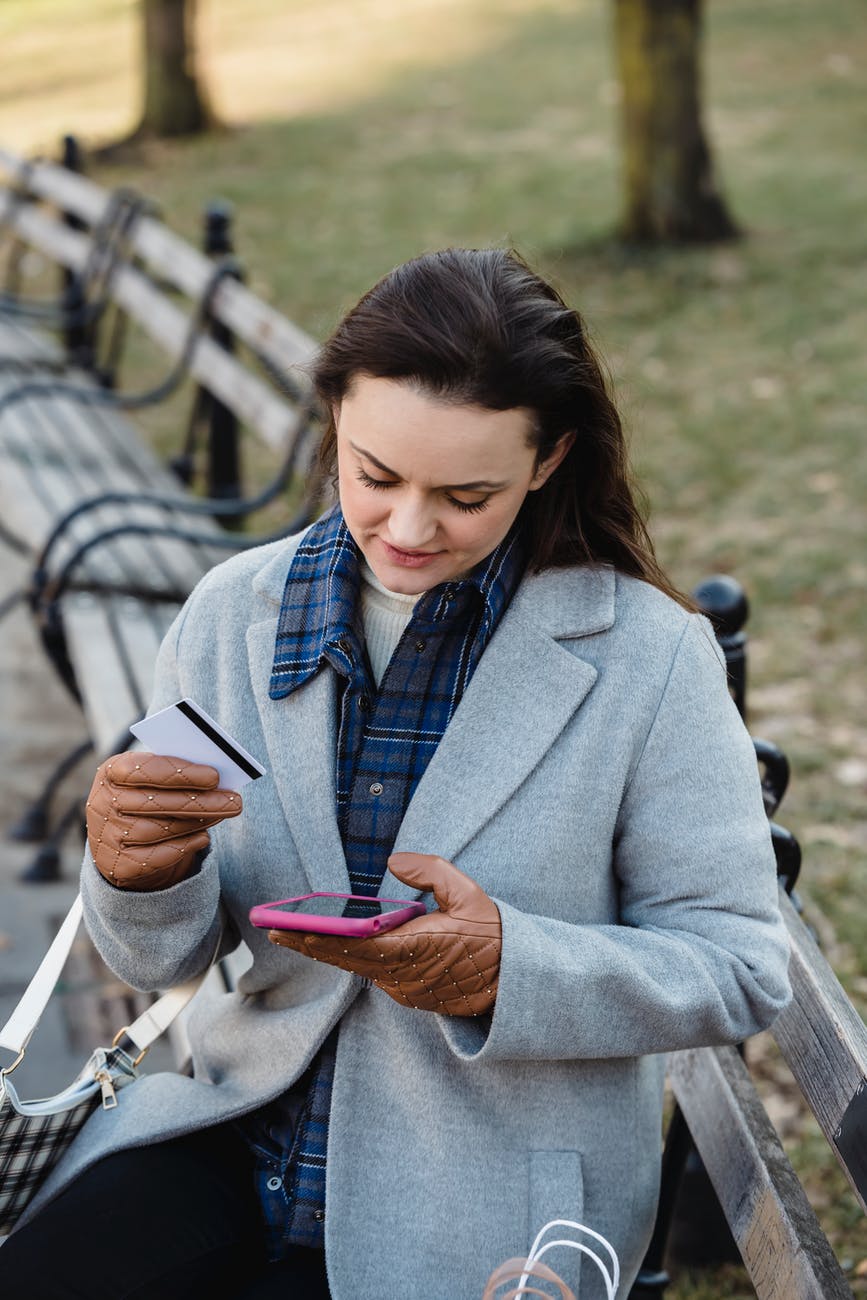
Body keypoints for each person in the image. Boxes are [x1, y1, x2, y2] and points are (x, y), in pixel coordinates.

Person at [0, 249, 791, 1299]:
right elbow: (161, 960)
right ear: (332, 420)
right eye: (375, 475)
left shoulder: (649, 657)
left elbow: (739, 964)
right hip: (233, 1135)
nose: (409, 529)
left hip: (493, 1202)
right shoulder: (230, 614)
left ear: (549, 460)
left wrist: (512, 968)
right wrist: (136, 872)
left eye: (467, 494)